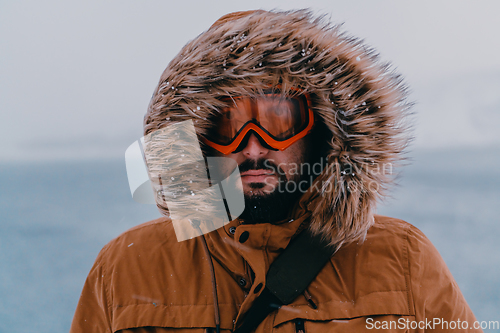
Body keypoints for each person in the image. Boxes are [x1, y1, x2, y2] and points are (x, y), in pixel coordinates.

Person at [70, 9, 482, 333]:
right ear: (196, 140)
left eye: (279, 120)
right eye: (226, 125)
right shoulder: (127, 269)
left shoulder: (401, 259)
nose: (252, 146)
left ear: (321, 131)